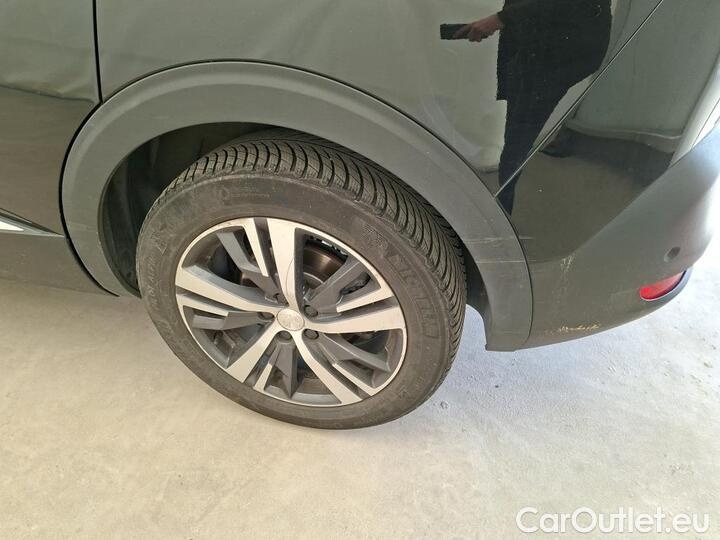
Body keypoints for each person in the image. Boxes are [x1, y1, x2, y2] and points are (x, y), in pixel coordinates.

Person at [455, 0, 612, 213]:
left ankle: (502, 211)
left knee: (518, 138)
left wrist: (500, 19)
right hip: (540, 44)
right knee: (517, 133)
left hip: (554, 51)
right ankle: (503, 204)